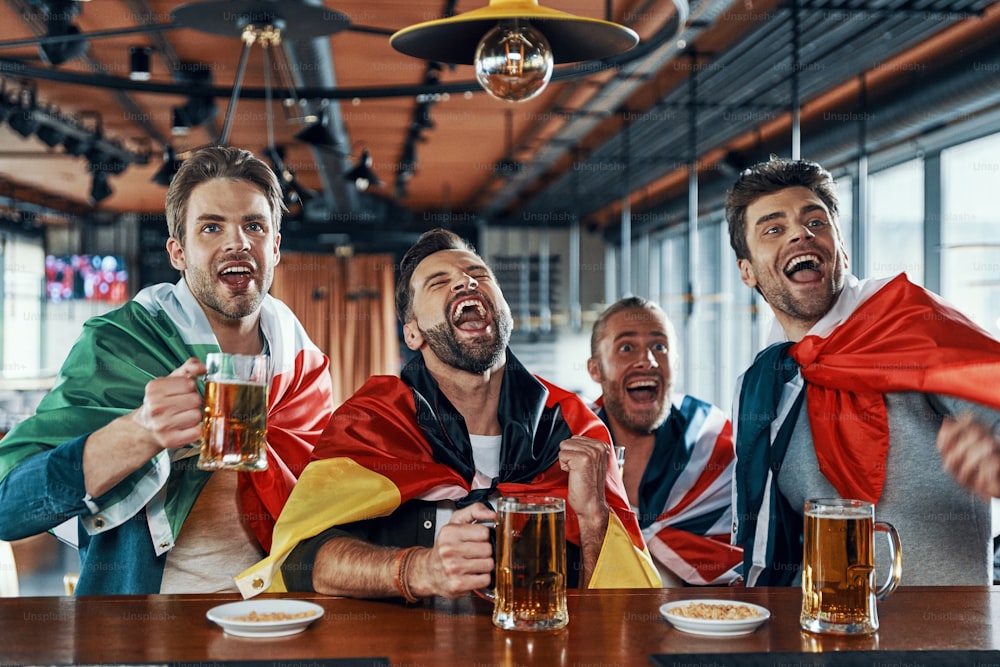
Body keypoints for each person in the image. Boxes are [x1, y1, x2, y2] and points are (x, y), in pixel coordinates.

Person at [236, 228, 660, 599]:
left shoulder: (573, 425)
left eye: (480, 276)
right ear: (413, 331)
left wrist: (592, 520)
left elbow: (620, 609)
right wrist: (420, 570)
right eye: (439, 281)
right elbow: (300, 561)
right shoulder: (373, 421)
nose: (464, 282)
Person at [0, 146, 334, 594]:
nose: (237, 242)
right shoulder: (118, 344)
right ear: (178, 252)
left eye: (253, 225)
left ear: (273, 247)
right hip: (147, 629)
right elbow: (9, 506)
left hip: (280, 616)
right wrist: (139, 432)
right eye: (211, 227)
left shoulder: (302, 363)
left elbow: (330, 499)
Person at [725, 156, 1000, 587]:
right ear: (748, 271)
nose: (801, 232)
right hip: (815, 637)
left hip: (944, 643)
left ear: (841, 250)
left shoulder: (912, 325)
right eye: (773, 229)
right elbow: (771, 536)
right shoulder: (764, 383)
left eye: (815, 222)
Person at [587, 297, 742, 586]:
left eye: (659, 346)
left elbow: (754, 551)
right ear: (596, 369)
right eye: (626, 347)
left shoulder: (713, 442)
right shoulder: (569, 440)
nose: (647, 360)